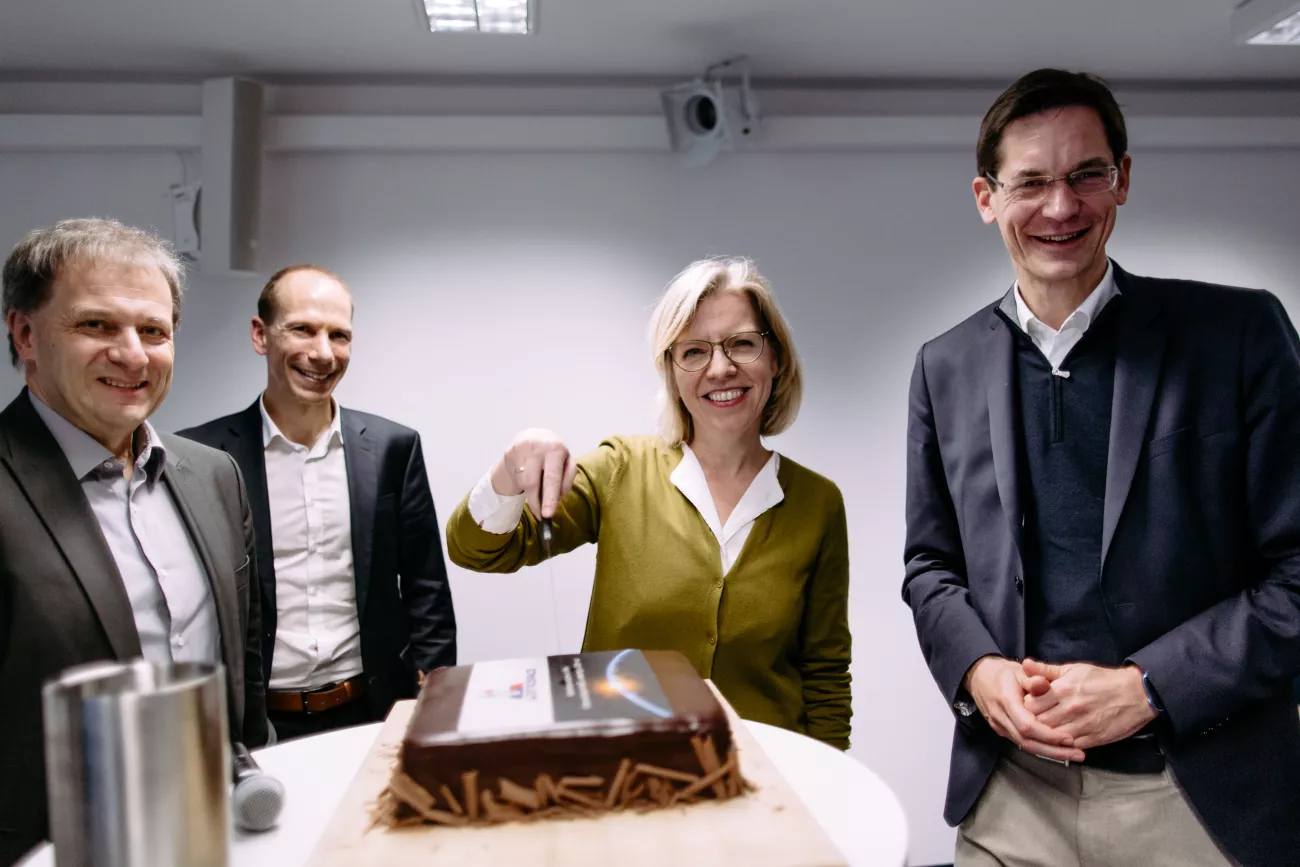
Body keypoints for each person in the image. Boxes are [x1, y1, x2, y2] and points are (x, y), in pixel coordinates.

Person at [902, 68, 1300, 867]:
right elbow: (930, 567)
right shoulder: (942, 367)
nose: (1061, 206)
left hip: (1194, 797)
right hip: (1011, 798)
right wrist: (978, 669)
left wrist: (1148, 686)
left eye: (1087, 174)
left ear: (1123, 180)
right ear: (987, 197)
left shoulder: (1238, 336)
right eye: (1032, 182)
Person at [446, 257, 851, 747]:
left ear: (776, 357)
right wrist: (512, 468)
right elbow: (477, 549)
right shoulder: (622, 469)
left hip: (763, 776)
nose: (721, 369)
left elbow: (825, 670)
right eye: (694, 352)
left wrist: (829, 781)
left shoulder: (818, 503)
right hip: (622, 772)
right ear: (672, 372)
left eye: (742, 344)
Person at [0, 218, 267, 865]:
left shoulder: (213, 475)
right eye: (97, 325)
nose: (133, 353)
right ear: (25, 332)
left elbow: (244, 666)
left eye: (154, 330)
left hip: (213, 836)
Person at [178, 265, 456, 740]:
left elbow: (426, 588)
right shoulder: (202, 459)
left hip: (374, 710)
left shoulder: (393, 447)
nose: (323, 353)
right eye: (303, 330)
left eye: (339, 335)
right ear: (260, 335)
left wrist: (430, 697)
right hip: (257, 724)